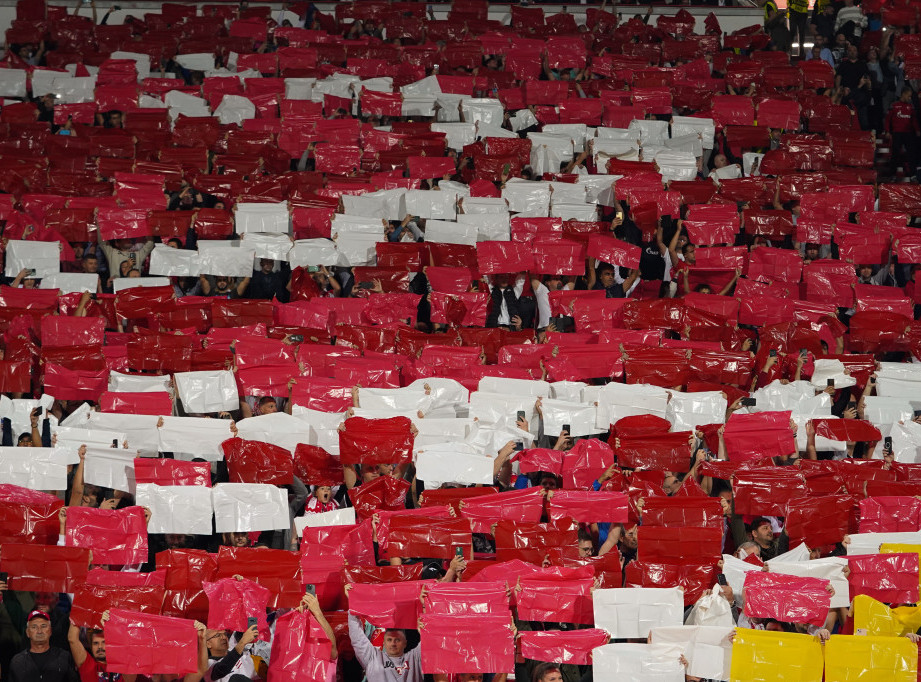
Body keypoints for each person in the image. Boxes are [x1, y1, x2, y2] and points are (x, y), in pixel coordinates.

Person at [348, 610, 422, 682]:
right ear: (383, 642)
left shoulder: (414, 659)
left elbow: (430, 643)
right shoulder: (372, 658)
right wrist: (353, 607)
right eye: (389, 640)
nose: (393, 644)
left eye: (397, 640)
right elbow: (357, 638)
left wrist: (424, 631)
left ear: (405, 643)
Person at [9, 610, 78, 682]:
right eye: (34, 627)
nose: (39, 631)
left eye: (43, 626)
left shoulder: (64, 657)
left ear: (50, 631)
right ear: (27, 632)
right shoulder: (17, 661)